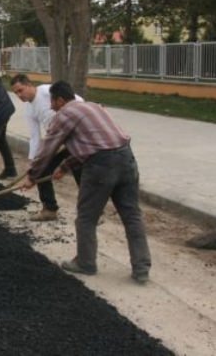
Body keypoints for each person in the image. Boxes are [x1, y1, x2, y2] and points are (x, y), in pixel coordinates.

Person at [20, 80, 151, 284]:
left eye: (53, 102)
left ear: (60, 100)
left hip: (101, 167)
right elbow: (94, 142)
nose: (51, 107)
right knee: (132, 215)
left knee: (86, 218)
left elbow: (48, 148)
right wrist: (65, 167)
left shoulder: (63, 115)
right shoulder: (94, 106)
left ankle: (85, 263)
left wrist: (32, 176)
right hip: (127, 160)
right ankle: (141, 268)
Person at [10, 74, 83, 221]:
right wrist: (32, 162)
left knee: (79, 172)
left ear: (30, 85)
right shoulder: (29, 110)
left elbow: (79, 101)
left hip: (74, 137)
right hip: (56, 142)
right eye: (16, 93)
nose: (19, 95)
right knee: (41, 171)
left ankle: (93, 211)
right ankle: (49, 209)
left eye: (20, 90)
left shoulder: (46, 91)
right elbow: (35, 137)